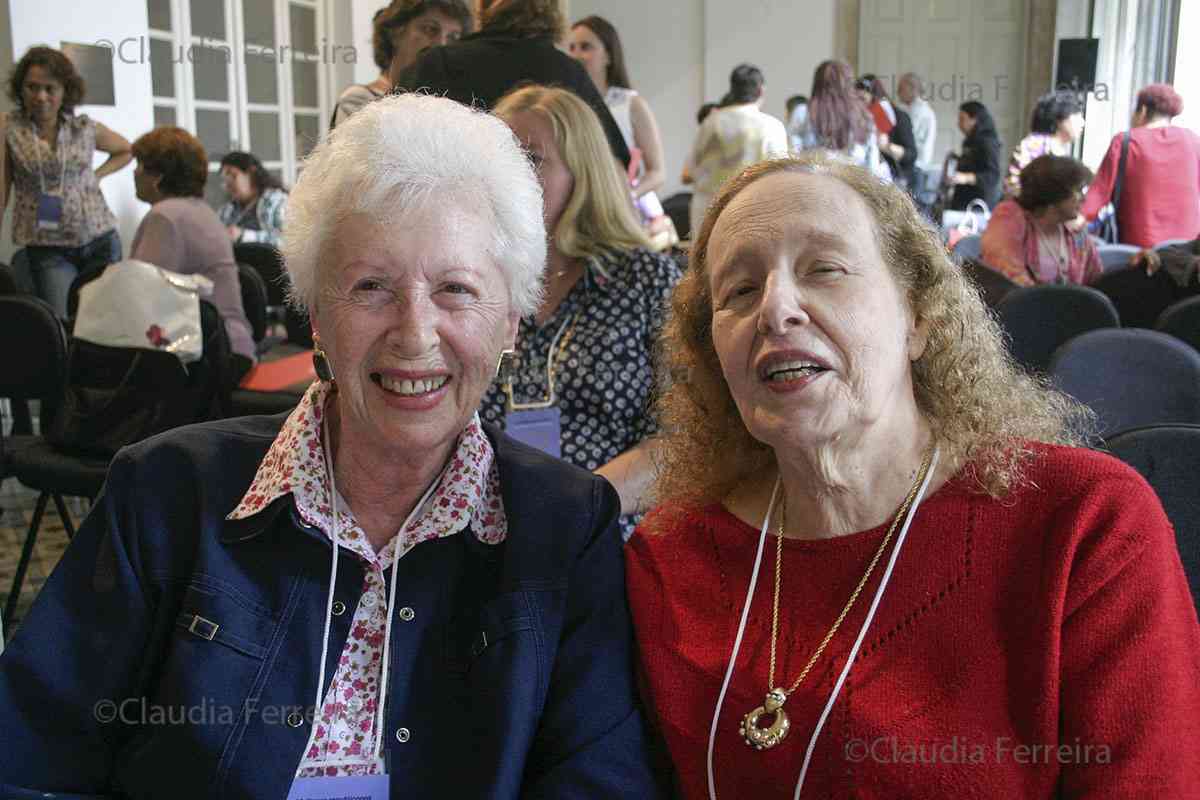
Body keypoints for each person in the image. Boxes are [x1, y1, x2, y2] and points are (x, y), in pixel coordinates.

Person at [0, 93, 661, 798]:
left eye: (456, 289)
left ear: (509, 325)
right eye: (371, 286)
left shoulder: (563, 528)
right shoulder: (164, 493)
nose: (414, 333)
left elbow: (596, 779)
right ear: (316, 315)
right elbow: (36, 760)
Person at [626, 153, 1200, 798]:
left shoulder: (1084, 522)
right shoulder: (669, 555)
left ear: (918, 319)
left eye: (825, 270)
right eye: (739, 290)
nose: (776, 309)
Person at [484, 84, 682, 540]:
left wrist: (572, 505)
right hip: (483, 535)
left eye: (531, 160)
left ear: (583, 172)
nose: (510, 179)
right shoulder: (474, 283)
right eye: (500, 162)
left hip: (604, 535)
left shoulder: (648, 281)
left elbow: (680, 440)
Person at [394, 0, 630, 167]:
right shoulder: (570, 73)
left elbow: (388, 151)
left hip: (452, 226)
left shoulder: (438, 64)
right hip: (551, 231)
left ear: (483, 6)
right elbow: (613, 164)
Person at [0, 46, 131, 319]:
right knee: (63, 324)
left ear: (64, 91)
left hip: (100, 239)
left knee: (106, 323)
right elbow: (2, 186)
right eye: (32, 87)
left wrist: (97, 176)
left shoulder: (82, 128)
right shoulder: (9, 128)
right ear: (20, 88)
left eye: (50, 88)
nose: (41, 97)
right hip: (49, 249)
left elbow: (125, 150)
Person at [130, 128, 258, 376]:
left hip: (208, 357)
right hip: (232, 347)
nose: (134, 172)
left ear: (157, 176)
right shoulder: (202, 211)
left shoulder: (165, 216)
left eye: (139, 164)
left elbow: (140, 297)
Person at [1082, 83, 1200, 248]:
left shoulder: (1126, 142)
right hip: (1187, 253)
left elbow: (1097, 197)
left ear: (1142, 110)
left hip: (1138, 254)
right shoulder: (1193, 141)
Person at [686, 64, 788, 240]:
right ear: (761, 90)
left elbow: (692, 169)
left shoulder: (711, 123)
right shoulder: (771, 126)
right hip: (752, 210)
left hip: (707, 208)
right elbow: (780, 176)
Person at [331, 0, 471, 128]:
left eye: (453, 37)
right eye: (430, 29)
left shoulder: (446, 105)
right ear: (396, 33)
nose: (441, 44)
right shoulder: (358, 100)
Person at [569, 15, 665, 199]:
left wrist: (627, 197)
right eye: (571, 48)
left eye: (585, 47)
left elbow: (657, 172)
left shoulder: (630, 104)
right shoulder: (567, 105)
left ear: (608, 55)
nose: (576, 55)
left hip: (624, 211)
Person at [981, 155, 1102, 287]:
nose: (1084, 199)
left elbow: (1097, 280)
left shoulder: (1076, 229)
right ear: (1055, 192)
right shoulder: (1009, 217)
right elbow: (1009, 282)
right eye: (1078, 190)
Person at [789, 59, 881, 177]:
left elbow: (792, 157)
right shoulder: (863, 116)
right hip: (851, 187)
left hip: (811, 186)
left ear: (817, 83)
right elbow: (872, 166)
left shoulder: (803, 112)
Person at [1006, 90, 1084, 197]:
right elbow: (1014, 185)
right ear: (1059, 119)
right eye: (1076, 115)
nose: (1082, 122)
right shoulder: (1035, 145)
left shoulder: (1059, 149)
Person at [216, 151, 288, 248]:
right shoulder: (227, 210)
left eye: (232, 176)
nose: (227, 184)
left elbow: (290, 242)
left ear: (251, 173)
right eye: (225, 178)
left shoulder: (278, 202)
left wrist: (244, 235)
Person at [857, 74, 917, 188]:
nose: (860, 105)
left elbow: (911, 155)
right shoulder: (859, 118)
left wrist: (885, 146)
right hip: (867, 178)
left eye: (863, 99)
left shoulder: (899, 117)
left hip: (897, 182)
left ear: (875, 96)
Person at [949, 100, 1003, 210]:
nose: (959, 124)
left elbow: (993, 175)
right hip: (963, 197)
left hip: (979, 201)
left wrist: (966, 178)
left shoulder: (988, 142)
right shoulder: (969, 141)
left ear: (974, 120)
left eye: (962, 119)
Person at [896, 72, 936, 170]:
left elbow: (905, 137)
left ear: (913, 89)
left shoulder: (918, 111)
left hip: (915, 166)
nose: (897, 92)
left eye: (901, 88)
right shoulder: (915, 109)